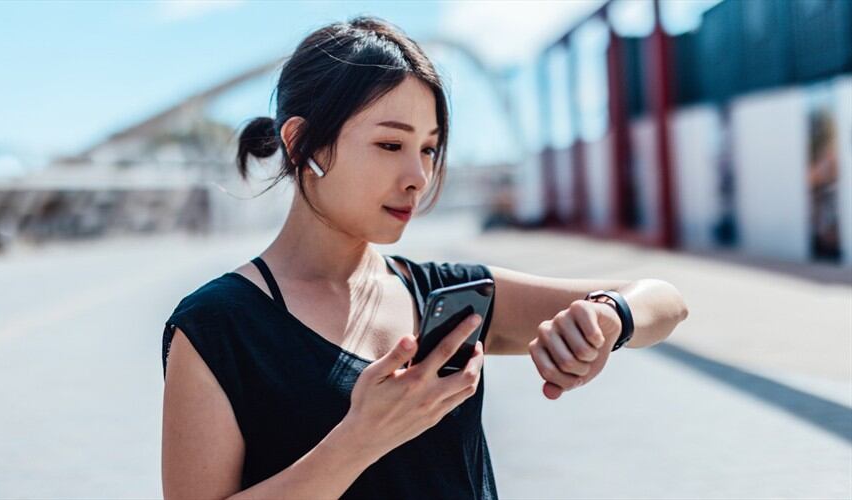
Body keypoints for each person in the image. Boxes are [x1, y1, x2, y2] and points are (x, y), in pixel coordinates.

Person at [161, 16, 689, 500]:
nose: (418, 175)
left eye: (430, 148)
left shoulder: (448, 298)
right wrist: (359, 440)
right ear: (301, 145)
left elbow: (664, 303)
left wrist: (606, 317)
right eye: (391, 145)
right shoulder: (217, 327)